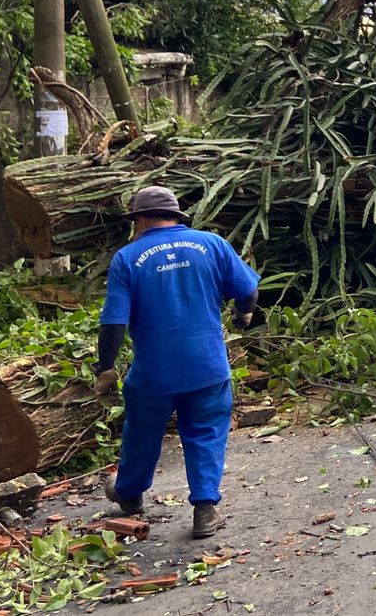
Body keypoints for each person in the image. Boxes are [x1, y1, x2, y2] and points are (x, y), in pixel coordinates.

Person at [95, 185, 260, 539]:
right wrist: (243, 316)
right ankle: (204, 510)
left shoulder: (127, 257)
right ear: (176, 216)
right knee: (206, 431)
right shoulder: (212, 244)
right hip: (207, 366)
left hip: (154, 371)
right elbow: (247, 291)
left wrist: (105, 367)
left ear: (139, 219)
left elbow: (114, 322)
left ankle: (129, 493)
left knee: (141, 432)